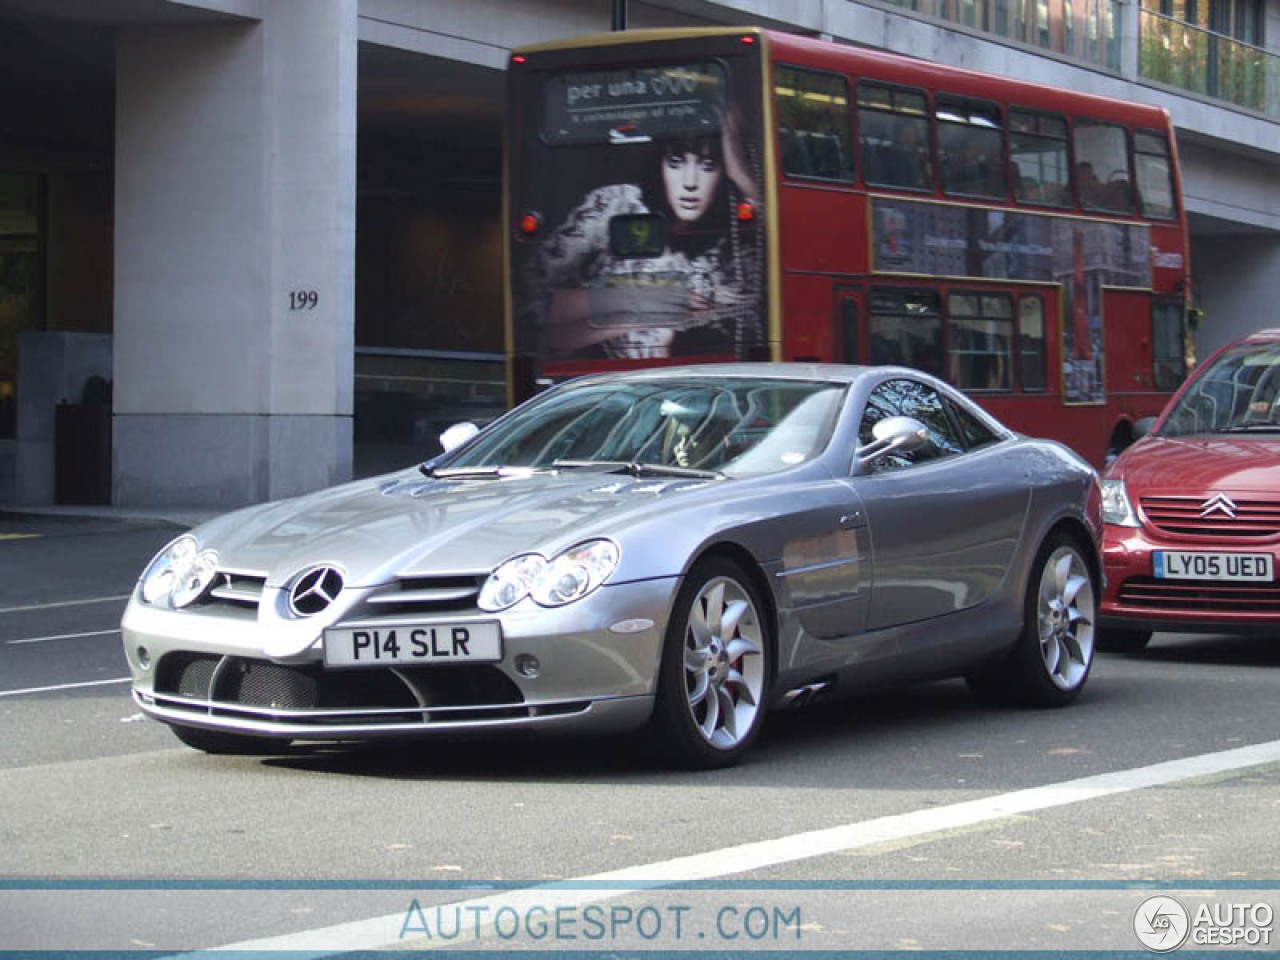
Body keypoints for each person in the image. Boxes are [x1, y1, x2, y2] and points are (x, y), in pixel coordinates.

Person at [530, 112, 762, 359]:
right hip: (610, 383)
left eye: (707, 166)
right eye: (676, 162)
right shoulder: (616, 205)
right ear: (659, 164)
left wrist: (741, 175)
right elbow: (538, 311)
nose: (690, 182)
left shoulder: (734, 245)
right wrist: (641, 300)